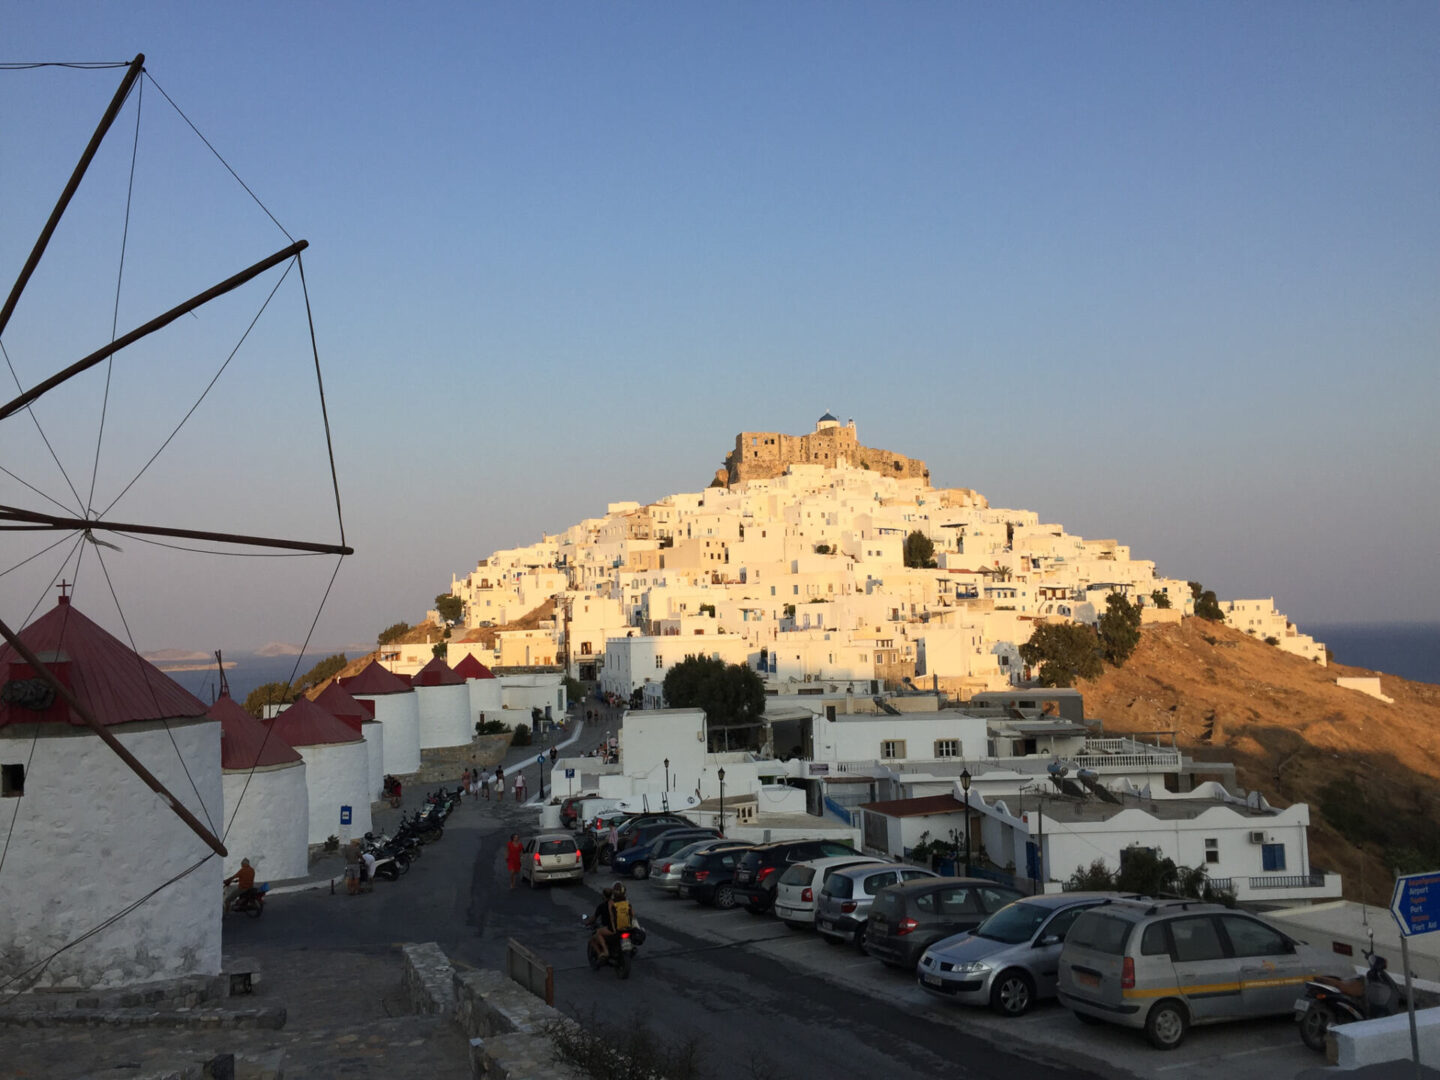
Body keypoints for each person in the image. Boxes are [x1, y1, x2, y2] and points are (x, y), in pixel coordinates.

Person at [589, 886, 615, 959]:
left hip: (611, 928)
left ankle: (604, 952)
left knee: (596, 935)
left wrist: (587, 922)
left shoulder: (602, 906)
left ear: (604, 895)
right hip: (619, 927)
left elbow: (594, 918)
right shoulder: (616, 903)